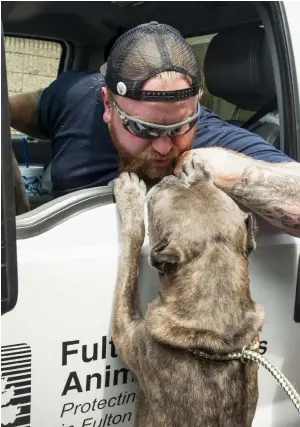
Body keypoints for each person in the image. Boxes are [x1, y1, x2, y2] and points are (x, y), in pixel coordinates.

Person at [9, 22, 300, 237]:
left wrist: (223, 169)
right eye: (141, 127)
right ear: (107, 105)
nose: (164, 147)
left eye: (180, 126)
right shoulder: (75, 97)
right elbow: (25, 109)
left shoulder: (214, 137)